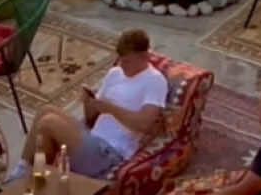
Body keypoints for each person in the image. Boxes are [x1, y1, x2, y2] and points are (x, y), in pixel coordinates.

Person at [14, 28, 167, 181]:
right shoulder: (115, 73)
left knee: (49, 123)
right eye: (120, 59)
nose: (122, 64)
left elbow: (145, 124)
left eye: (127, 61)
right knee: (45, 111)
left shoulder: (154, 80)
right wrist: (89, 103)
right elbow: (90, 118)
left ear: (144, 57)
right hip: (92, 138)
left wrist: (111, 109)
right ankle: (22, 172)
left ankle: (30, 178)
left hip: (109, 152)